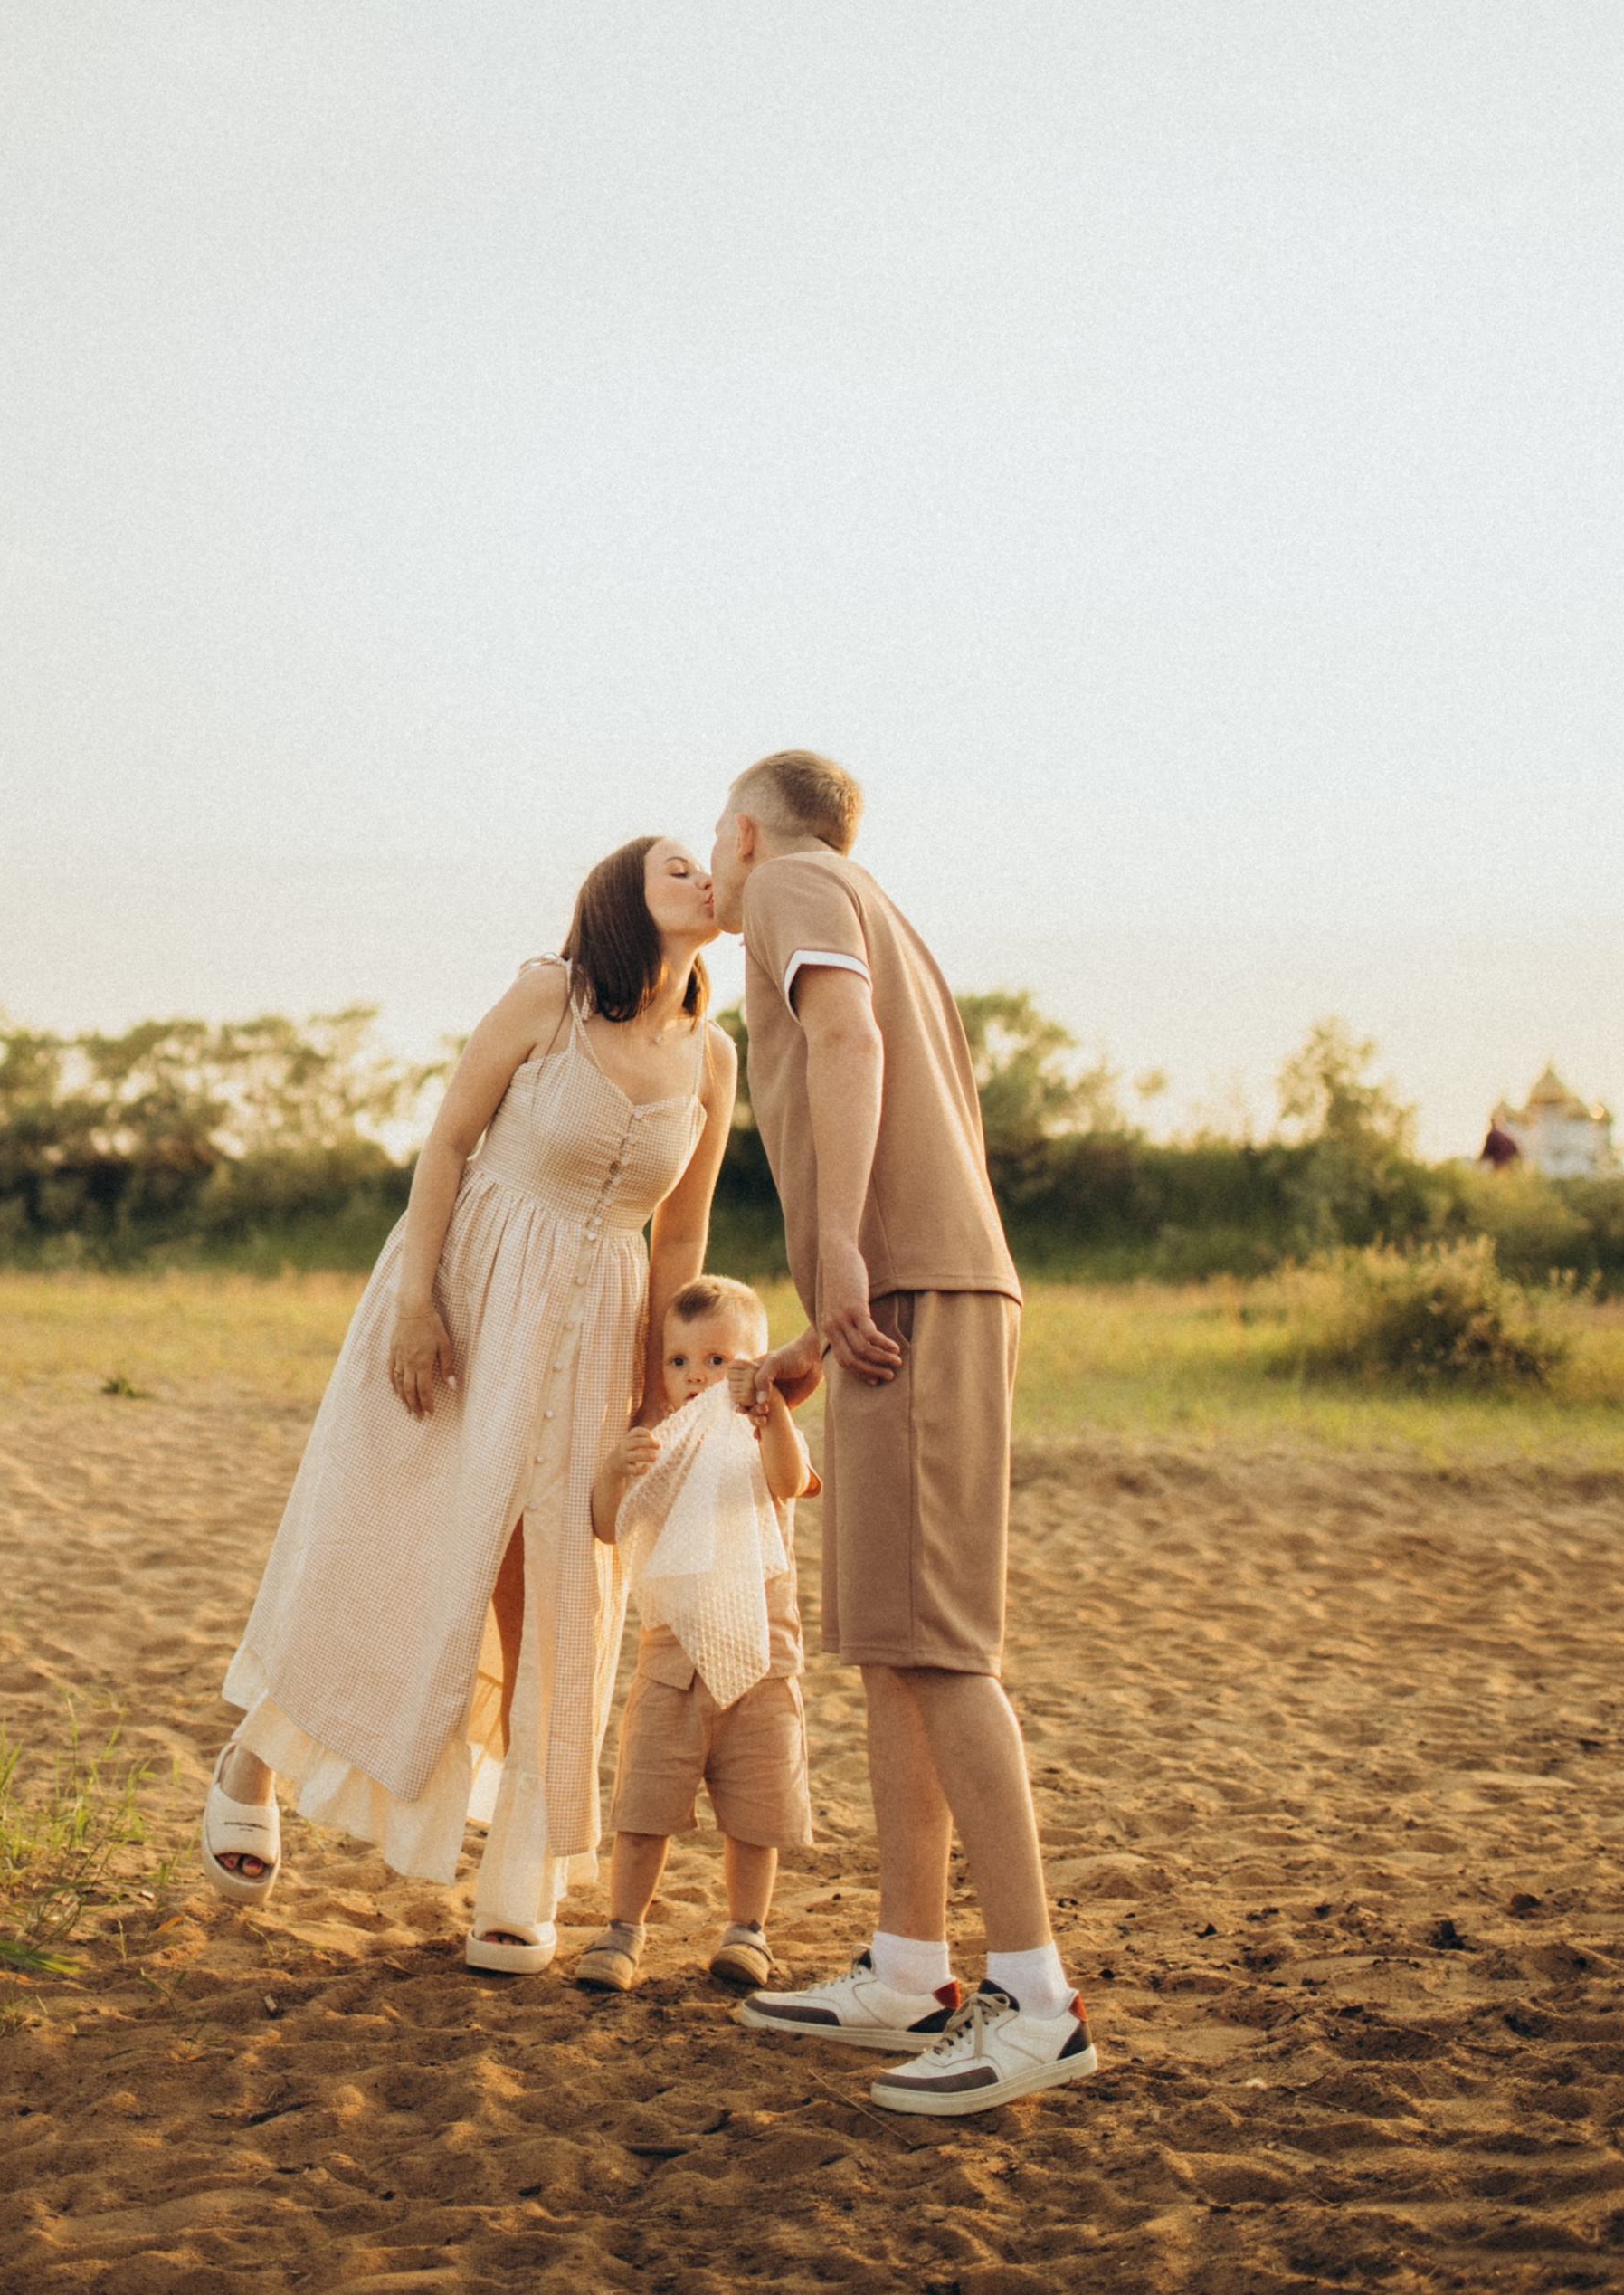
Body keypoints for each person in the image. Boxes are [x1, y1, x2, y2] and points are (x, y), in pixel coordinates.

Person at [202, 835, 736, 1974]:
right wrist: (414, 1306)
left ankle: (525, 1868)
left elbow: (680, 1233)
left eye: (707, 868)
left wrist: (662, 1390)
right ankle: (255, 1757)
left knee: (562, 1584)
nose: (702, 879)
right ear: (622, 903)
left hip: (603, 1316)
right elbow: (447, 1142)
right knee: (400, 1543)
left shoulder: (716, 1057)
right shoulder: (550, 995)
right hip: (474, 1290)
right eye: (675, 868)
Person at [712, 748, 1099, 2119]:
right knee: (887, 1647)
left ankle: (1037, 2003)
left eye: (718, 833)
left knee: (939, 1649)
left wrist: (831, 1252)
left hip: (917, 1286)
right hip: (906, 1295)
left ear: (749, 832)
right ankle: (907, 1967)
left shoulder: (795, 883)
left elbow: (848, 1046)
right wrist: (820, 1330)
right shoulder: (877, 905)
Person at [575, 1272, 815, 1996]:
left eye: (718, 1361)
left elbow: (790, 1478)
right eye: (680, 1362)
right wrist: (615, 1473)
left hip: (763, 1662)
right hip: (671, 1663)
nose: (696, 1377)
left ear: (755, 1363)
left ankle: (747, 1930)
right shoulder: (663, 1444)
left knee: (757, 1811)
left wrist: (771, 1410)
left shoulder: (760, 1436)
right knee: (644, 1804)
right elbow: (607, 1527)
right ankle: (624, 1926)